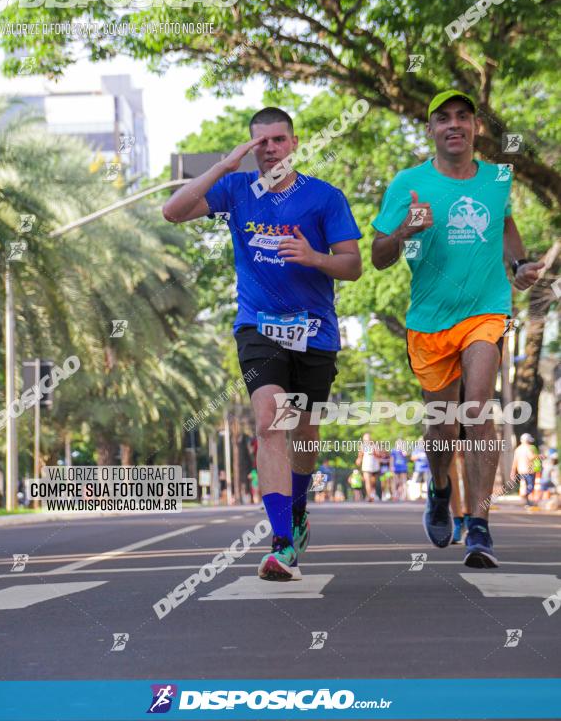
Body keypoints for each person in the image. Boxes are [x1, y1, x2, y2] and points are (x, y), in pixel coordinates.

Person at [162, 107, 362, 580]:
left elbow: (352, 264)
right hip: (259, 327)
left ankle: (297, 507)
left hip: (315, 331)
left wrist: (314, 257)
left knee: (305, 434)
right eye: (261, 142)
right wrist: (221, 167)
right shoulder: (235, 189)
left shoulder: (323, 198)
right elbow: (172, 212)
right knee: (271, 420)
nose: (270, 148)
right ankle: (281, 543)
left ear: (294, 142)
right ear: (250, 147)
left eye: (278, 139)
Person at [371, 90, 543, 568]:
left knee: (478, 409)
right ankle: (440, 488)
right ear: (430, 131)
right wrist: (404, 231)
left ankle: (480, 526)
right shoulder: (409, 183)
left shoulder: (498, 178)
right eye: (443, 118)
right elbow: (379, 257)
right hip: (429, 321)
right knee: (441, 428)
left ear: (475, 128)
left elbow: (505, 226)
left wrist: (519, 263)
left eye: (463, 117)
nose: (454, 124)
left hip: (486, 310)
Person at [511, 433, 539, 507]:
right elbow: (531, 457)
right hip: (529, 471)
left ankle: (527, 501)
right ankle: (527, 499)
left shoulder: (518, 449)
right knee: (530, 486)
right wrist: (539, 456)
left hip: (521, 471)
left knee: (525, 486)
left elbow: (515, 461)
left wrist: (513, 472)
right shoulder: (529, 448)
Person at [356, 432, 380, 501]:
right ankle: (369, 496)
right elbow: (360, 455)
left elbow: (378, 455)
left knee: (373, 481)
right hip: (366, 464)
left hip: (374, 464)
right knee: (367, 480)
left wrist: (375, 453)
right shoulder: (362, 446)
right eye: (365, 439)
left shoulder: (374, 446)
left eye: (368, 438)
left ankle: (372, 493)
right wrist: (359, 460)